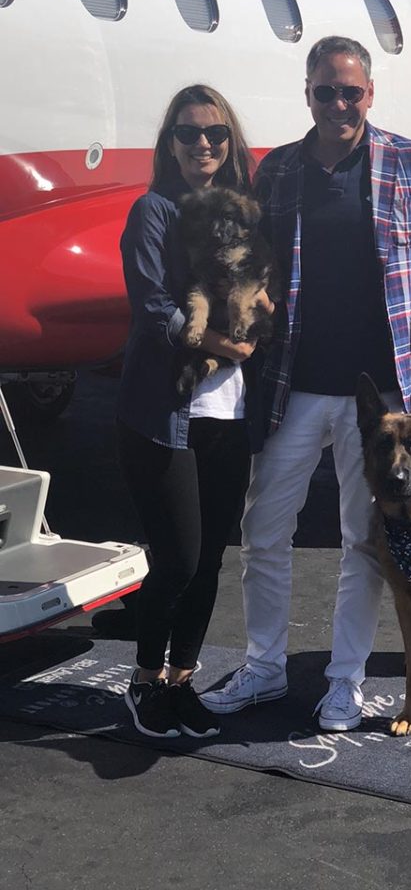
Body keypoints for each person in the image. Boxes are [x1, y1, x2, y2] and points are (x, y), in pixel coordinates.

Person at [200, 36, 411, 731]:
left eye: (351, 92)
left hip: (381, 402)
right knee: (263, 531)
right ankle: (262, 668)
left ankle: (344, 681)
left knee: (361, 541)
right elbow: (251, 270)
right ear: (309, 94)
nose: (338, 104)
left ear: (369, 94)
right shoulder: (281, 171)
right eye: (325, 91)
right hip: (293, 384)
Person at [118, 84, 272, 740]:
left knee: (209, 559)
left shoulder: (245, 218)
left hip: (227, 414)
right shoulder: (153, 212)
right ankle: (144, 680)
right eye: (188, 134)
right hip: (165, 415)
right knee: (177, 558)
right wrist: (226, 339)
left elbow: (259, 298)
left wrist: (264, 312)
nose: (202, 145)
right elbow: (154, 307)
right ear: (170, 144)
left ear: (230, 143)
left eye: (214, 134)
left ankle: (182, 681)